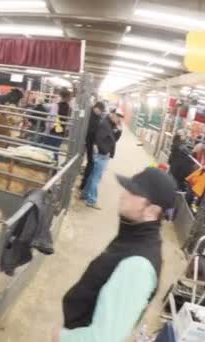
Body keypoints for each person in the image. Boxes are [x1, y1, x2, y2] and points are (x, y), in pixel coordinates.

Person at [55, 167, 176, 342]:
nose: (123, 194)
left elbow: (105, 338)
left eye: (134, 192)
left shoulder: (138, 266)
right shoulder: (132, 238)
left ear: (152, 210)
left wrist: (62, 337)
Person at [81, 110, 123, 209]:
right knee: (96, 178)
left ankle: (85, 194)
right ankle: (91, 200)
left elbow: (114, 139)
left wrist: (119, 130)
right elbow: (99, 139)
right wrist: (105, 151)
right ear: (112, 114)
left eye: (120, 118)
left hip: (102, 154)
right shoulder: (105, 124)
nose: (118, 119)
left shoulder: (110, 124)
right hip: (102, 155)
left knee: (93, 175)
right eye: (117, 117)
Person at [79, 102, 106, 191]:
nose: (100, 112)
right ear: (95, 107)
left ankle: (83, 184)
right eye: (99, 110)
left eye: (101, 111)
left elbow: (95, 131)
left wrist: (95, 143)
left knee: (90, 162)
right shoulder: (87, 113)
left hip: (91, 142)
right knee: (78, 158)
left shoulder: (98, 117)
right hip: (82, 140)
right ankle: (74, 177)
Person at [43, 88, 72, 161]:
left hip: (53, 130)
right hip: (61, 131)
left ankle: (50, 168)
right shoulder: (69, 108)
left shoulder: (56, 106)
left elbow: (50, 119)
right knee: (55, 150)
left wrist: (47, 130)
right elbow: (68, 121)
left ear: (61, 96)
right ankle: (54, 168)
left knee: (48, 151)